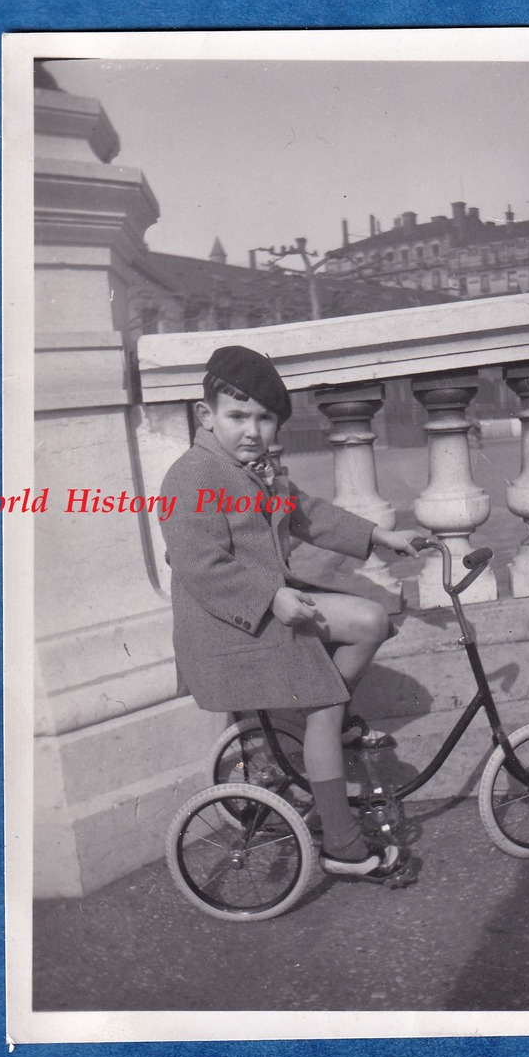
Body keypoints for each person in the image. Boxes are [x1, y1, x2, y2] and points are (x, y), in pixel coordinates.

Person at [159, 345, 421, 881]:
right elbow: (199, 565)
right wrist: (270, 596)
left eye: (264, 418)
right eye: (238, 416)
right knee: (325, 704)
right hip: (229, 628)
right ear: (206, 417)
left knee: (372, 621)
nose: (252, 430)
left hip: (265, 611)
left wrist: (377, 535)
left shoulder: (258, 468)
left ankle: (321, 718)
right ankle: (343, 847)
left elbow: (308, 514)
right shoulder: (192, 476)